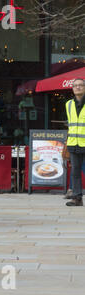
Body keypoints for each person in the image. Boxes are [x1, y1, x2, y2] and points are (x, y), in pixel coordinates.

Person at [65, 78, 85, 206]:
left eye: (81, 85)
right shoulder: (68, 104)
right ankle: (77, 198)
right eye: (75, 86)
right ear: (72, 88)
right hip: (73, 143)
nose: (78, 87)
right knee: (75, 172)